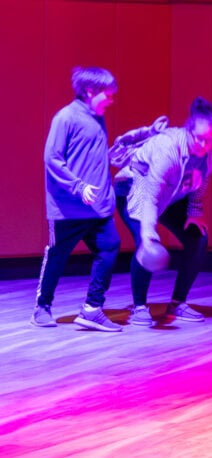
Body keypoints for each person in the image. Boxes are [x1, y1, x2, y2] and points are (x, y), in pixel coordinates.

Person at [114, 96, 212, 326]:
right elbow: (151, 195)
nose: (203, 145)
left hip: (171, 195)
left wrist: (194, 211)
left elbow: (201, 181)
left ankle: (178, 303)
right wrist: (148, 232)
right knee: (147, 243)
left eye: (208, 140)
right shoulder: (168, 149)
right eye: (199, 139)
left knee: (198, 239)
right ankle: (139, 307)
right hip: (137, 188)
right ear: (187, 131)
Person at [33, 66, 121, 332]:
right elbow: (52, 158)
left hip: (98, 207)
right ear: (90, 91)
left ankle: (92, 309)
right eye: (108, 94)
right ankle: (42, 307)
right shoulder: (66, 117)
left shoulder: (98, 117)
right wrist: (78, 186)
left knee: (109, 248)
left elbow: (91, 155)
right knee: (57, 256)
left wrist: (113, 157)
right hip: (68, 208)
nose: (112, 99)